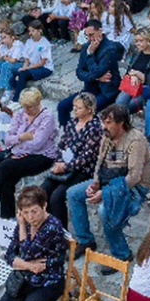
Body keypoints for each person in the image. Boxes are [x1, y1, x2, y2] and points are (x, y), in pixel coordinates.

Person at [66, 100, 150, 262]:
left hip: (133, 186)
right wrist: (96, 182)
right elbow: (100, 161)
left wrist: (104, 193)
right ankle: (86, 240)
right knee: (73, 194)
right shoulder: (107, 136)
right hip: (109, 179)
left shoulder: (136, 141)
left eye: (108, 123)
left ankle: (122, 254)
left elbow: (134, 177)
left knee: (105, 210)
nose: (104, 126)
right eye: (103, 122)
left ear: (121, 124)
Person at [0, 88, 59, 220]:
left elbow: (37, 143)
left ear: (38, 103)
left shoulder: (47, 118)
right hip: (20, 154)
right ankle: (8, 218)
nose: (27, 110)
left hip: (42, 156)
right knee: (5, 181)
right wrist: (23, 137)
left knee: (5, 166)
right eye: (25, 107)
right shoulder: (21, 114)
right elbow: (8, 139)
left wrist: (18, 147)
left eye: (30, 107)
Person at [41, 92, 103, 224]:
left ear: (89, 109)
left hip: (83, 170)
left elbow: (87, 156)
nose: (75, 110)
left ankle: (61, 232)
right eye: (74, 107)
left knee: (57, 197)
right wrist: (58, 161)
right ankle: (49, 225)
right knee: (43, 191)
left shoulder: (95, 128)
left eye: (79, 108)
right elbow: (62, 144)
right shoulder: (72, 123)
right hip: (64, 166)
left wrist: (65, 167)